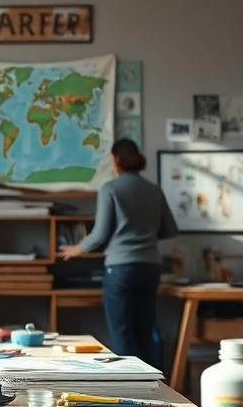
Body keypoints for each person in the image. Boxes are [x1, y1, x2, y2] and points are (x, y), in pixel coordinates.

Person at [59, 139, 178, 369]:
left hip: (121, 269)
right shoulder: (154, 190)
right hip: (150, 268)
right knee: (145, 331)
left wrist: (76, 249)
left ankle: (132, 392)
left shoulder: (110, 189)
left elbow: (100, 234)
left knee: (123, 333)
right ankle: (155, 388)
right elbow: (170, 229)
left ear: (116, 160)